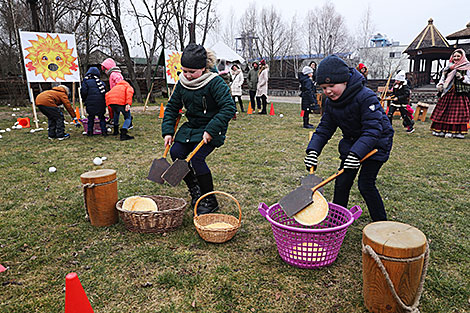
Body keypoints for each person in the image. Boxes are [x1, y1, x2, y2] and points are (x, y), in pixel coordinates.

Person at [304, 55, 394, 222]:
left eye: (331, 85)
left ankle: (381, 223)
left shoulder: (366, 97)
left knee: (366, 184)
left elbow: (373, 129)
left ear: (345, 81)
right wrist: (313, 150)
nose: (327, 91)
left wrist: (356, 155)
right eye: (323, 87)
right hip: (352, 143)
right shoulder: (331, 102)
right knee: (342, 181)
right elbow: (324, 128)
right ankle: (336, 221)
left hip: (377, 143)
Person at [161, 43, 236, 214]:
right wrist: (168, 131)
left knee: (196, 159)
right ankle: (195, 189)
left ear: (203, 68)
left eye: (191, 72)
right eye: (184, 71)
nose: (187, 75)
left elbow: (228, 108)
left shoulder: (215, 83)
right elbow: (172, 108)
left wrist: (210, 130)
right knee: (177, 153)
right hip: (192, 128)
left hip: (212, 128)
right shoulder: (182, 84)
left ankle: (210, 199)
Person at [431, 48, 470, 139]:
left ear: (462, 57)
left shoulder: (467, 66)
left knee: (458, 113)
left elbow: (469, 79)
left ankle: (456, 132)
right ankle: (440, 130)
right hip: (448, 92)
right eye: (454, 56)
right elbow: (443, 78)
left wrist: (462, 78)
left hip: (460, 93)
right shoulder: (448, 67)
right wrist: (440, 85)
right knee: (443, 111)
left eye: (458, 56)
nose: (456, 58)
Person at [101, 58, 133, 134]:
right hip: (119, 97)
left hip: (115, 97)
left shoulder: (114, 75)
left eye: (105, 69)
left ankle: (116, 128)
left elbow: (120, 87)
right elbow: (128, 93)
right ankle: (125, 127)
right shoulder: (124, 83)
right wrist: (128, 103)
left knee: (116, 112)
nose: (104, 72)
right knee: (124, 114)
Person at [80, 67, 108, 136]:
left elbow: (83, 92)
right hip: (100, 103)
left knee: (91, 117)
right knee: (101, 117)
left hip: (90, 102)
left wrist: (84, 100)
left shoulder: (86, 82)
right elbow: (105, 92)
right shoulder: (100, 82)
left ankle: (90, 132)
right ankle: (104, 131)